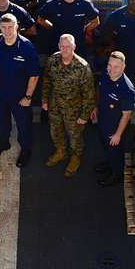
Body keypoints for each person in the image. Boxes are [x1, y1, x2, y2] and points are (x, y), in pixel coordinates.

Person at [0, 14, 40, 166]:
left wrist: (28, 97)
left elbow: (34, 75)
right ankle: (4, 143)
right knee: (0, 121)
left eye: (10, 27)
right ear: (0, 27)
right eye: (4, 27)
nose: (7, 31)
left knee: (23, 124)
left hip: (20, 95)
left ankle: (26, 149)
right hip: (0, 93)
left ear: (17, 27)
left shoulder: (27, 46)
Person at [42, 33, 96, 177]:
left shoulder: (82, 67)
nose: (65, 49)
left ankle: (75, 157)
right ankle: (60, 151)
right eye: (62, 46)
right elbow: (47, 80)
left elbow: (89, 94)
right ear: (59, 46)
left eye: (68, 46)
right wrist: (45, 100)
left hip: (74, 110)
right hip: (55, 106)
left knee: (75, 136)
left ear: (74, 47)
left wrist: (84, 116)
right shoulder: (53, 60)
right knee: (55, 131)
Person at [93, 51, 135, 187]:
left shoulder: (127, 89)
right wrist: (95, 107)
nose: (111, 69)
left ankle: (116, 175)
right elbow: (99, 91)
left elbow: (127, 115)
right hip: (103, 119)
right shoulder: (105, 75)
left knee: (115, 152)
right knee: (106, 146)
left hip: (115, 127)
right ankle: (109, 164)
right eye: (109, 65)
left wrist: (118, 135)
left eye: (116, 66)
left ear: (123, 67)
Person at [37, 0, 101, 61]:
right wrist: (52, 28)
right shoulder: (52, 4)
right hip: (57, 46)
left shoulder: (85, 4)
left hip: (78, 46)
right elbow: (40, 19)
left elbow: (95, 21)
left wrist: (85, 29)